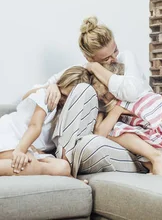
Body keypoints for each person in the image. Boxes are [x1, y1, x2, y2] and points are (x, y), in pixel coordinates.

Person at [38, 16, 154, 176]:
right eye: (106, 58)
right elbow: (44, 87)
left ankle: (66, 166)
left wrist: (95, 67)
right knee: (82, 89)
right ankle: (65, 161)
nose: (114, 59)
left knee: (90, 144)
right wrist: (53, 86)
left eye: (115, 50)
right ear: (88, 57)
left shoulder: (126, 59)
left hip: (135, 148)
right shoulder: (84, 68)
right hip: (97, 138)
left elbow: (131, 92)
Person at [92, 63, 162, 175]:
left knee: (114, 130)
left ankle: (157, 157)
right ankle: (155, 165)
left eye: (105, 96)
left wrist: (100, 111)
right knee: (131, 138)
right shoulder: (139, 94)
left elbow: (100, 134)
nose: (105, 101)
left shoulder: (124, 101)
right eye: (101, 99)